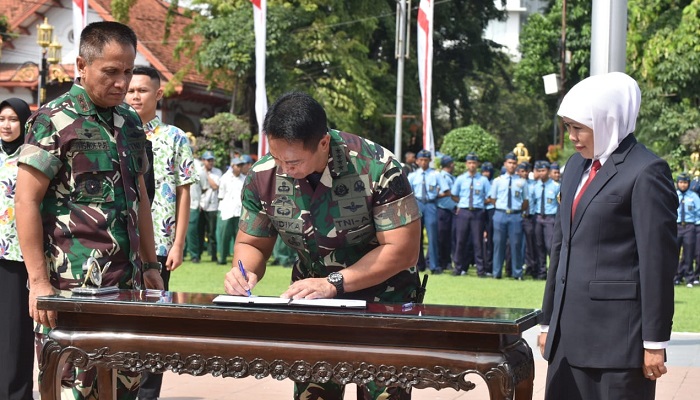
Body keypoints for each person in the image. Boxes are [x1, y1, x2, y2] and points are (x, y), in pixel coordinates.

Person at [224, 92, 421, 400]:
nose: (285, 169)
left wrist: (333, 283)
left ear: (324, 143)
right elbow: (253, 243)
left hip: (384, 303)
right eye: (277, 158)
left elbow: (402, 250)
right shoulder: (263, 175)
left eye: (294, 161)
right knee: (313, 393)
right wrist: (244, 270)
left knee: (384, 394)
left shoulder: (377, 167)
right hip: (313, 303)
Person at [14, 21, 164, 399]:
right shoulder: (54, 120)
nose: (122, 83)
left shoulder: (130, 122)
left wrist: (149, 265)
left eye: (128, 71)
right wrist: (39, 283)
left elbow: (140, 197)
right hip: (72, 291)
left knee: (126, 387)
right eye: (111, 72)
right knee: (74, 389)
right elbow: (26, 200)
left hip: (126, 289)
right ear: (82, 64)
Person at [539, 72, 677, 400]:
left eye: (579, 128)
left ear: (608, 121)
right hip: (566, 340)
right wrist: (548, 322)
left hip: (617, 343)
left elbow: (657, 262)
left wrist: (654, 343)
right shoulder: (574, 166)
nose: (571, 137)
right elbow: (561, 248)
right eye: (568, 127)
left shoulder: (646, 171)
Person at [126, 65, 197, 400]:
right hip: (121, 245)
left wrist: (179, 243)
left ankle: (148, 393)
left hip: (160, 245)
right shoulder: (117, 132)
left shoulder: (174, 138)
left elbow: (184, 191)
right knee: (123, 319)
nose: (134, 96)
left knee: (153, 321)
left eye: (142, 90)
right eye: (130, 90)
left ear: (158, 94)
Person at [0, 98, 33, 400]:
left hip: (17, 255)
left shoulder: (33, 156)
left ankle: (16, 394)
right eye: (1, 119)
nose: (6, 125)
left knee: (15, 332)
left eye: (12, 119)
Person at [408, 149, 451, 274]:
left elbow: (446, 191)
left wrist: (436, 196)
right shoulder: (412, 176)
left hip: (431, 205)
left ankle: (434, 265)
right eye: (421, 160)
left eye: (426, 160)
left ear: (430, 161)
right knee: (416, 237)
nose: (423, 162)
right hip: (417, 204)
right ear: (417, 161)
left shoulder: (436, 175)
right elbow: (407, 192)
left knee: (433, 236)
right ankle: (418, 264)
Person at [489, 152, 528, 280]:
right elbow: (493, 199)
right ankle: (497, 272)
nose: (512, 165)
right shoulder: (497, 181)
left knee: (516, 244)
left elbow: (525, 201)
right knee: (498, 244)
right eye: (509, 163)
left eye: (514, 163)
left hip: (515, 215)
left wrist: (516, 210)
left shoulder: (522, 182)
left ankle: (517, 273)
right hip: (500, 214)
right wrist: (503, 207)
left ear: (516, 165)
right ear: (505, 164)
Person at [451, 153, 491, 276]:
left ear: (477, 164)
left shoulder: (483, 180)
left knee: (478, 241)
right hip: (463, 211)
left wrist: (479, 203)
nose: (472, 165)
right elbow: (453, 195)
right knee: (460, 241)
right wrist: (462, 203)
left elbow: (489, 197)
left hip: (477, 212)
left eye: (474, 163)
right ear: (466, 164)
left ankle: (480, 270)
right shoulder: (461, 179)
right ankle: (457, 268)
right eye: (469, 163)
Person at [215, 157, 246, 265]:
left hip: (239, 211)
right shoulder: (225, 178)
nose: (239, 168)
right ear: (232, 166)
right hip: (226, 211)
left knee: (239, 238)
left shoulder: (244, 178)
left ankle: (238, 260)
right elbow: (221, 195)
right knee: (224, 237)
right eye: (238, 166)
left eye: (241, 166)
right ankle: (222, 258)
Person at [532, 160, 560, 280]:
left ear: (548, 172)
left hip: (550, 218)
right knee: (539, 245)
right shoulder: (535, 186)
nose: (541, 173)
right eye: (539, 171)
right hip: (538, 218)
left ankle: (553, 272)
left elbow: (560, 204)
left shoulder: (555, 186)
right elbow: (532, 203)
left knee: (550, 246)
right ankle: (542, 272)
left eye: (543, 171)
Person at [674, 172, 700, 287]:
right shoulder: (674, 194)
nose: (683, 185)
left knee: (689, 253)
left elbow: (699, 211)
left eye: (685, 182)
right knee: (674, 253)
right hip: (676, 226)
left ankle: (689, 278)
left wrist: (696, 225)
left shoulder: (693, 196)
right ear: (677, 183)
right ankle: (675, 277)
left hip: (689, 227)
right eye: (681, 182)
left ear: (688, 183)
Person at [199, 150, 222, 262]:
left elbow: (215, 186)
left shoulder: (217, 172)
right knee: (200, 232)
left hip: (213, 206)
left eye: (212, 160)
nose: (210, 162)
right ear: (203, 161)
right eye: (208, 160)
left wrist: (206, 175)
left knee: (212, 233)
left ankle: (214, 255)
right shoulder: (198, 171)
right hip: (201, 205)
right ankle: (197, 256)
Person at [436, 155, 457, 272]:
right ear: (449, 164)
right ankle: (439, 261)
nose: (454, 165)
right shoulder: (442, 176)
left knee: (448, 238)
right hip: (442, 210)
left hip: (450, 211)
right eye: (452, 163)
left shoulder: (450, 177)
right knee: (441, 237)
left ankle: (446, 261)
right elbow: (441, 192)